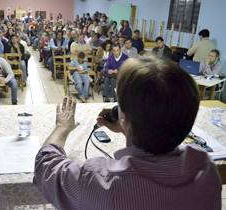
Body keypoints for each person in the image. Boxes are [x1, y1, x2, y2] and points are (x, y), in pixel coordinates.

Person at [34, 56, 221, 210]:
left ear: (123, 117)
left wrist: (62, 127)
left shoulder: (100, 180)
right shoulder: (205, 167)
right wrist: (132, 130)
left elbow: (45, 167)